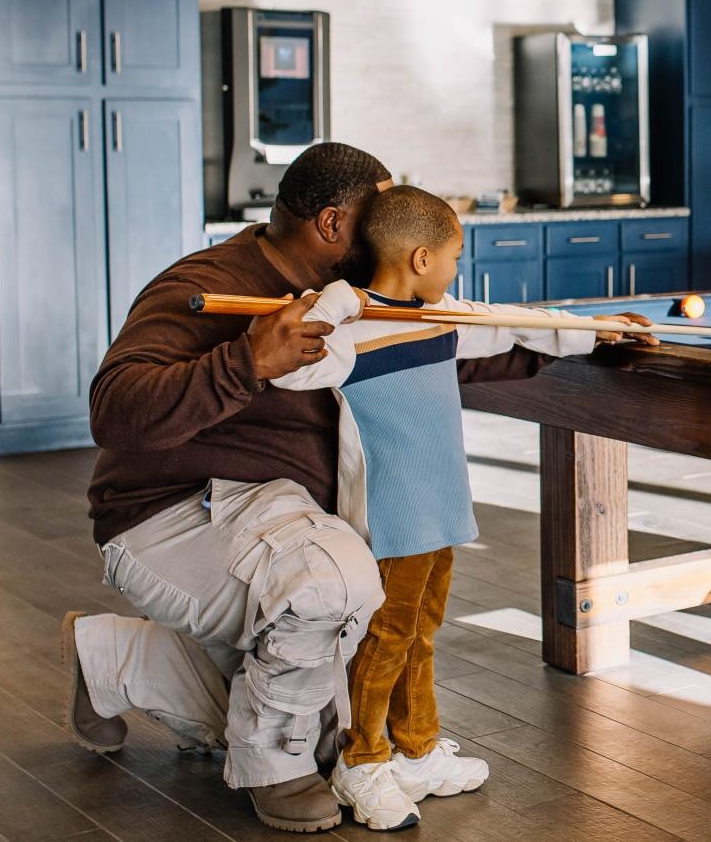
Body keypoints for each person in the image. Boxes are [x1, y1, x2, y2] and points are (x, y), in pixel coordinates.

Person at [61, 144, 645, 833]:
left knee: (334, 717)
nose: (393, 235)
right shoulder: (206, 281)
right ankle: (274, 767)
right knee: (336, 588)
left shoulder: (367, 301)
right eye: (377, 218)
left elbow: (426, 354)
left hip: (277, 521)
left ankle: (108, 660)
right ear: (334, 225)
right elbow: (115, 409)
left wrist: (578, 344)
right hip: (175, 512)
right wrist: (246, 360)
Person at [269, 186, 650, 830]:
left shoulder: (437, 315)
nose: (456, 270)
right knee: (388, 637)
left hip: (440, 503)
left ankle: (415, 749)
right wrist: (338, 301)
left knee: (423, 630)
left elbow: (510, 322)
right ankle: (362, 762)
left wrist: (594, 331)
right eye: (453, 257)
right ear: (421, 258)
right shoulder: (350, 331)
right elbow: (288, 367)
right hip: (392, 515)